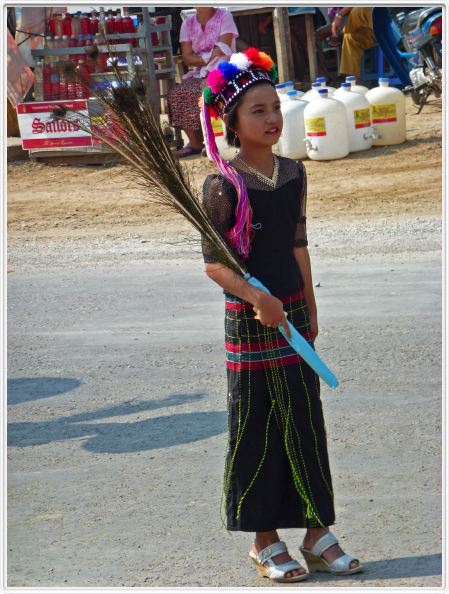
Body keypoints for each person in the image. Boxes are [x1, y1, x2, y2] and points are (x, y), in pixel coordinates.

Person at [200, 48, 363, 583]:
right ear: (232, 121)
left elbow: (298, 243)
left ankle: (317, 532)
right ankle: (264, 539)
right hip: (253, 319)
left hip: (291, 312)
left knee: (305, 420)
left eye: (275, 108)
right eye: (257, 111)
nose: (272, 118)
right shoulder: (223, 185)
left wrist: (309, 307)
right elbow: (213, 266)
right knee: (258, 425)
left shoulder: (293, 173)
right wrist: (257, 298)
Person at [167, 7, 238, 158]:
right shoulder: (187, 24)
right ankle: (194, 143)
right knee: (179, 92)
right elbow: (187, 57)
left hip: (224, 68)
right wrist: (207, 59)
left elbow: (224, 49)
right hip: (200, 70)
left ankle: (217, 141)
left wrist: (207, 63)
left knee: (210, 88)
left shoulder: (224, 16)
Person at [331, 7, 377, 79]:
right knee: (350, 37)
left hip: (389, 23)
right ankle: (353, 84)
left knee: (360, 8)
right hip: (373, 31)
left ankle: (339, 31)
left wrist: (339, 15)